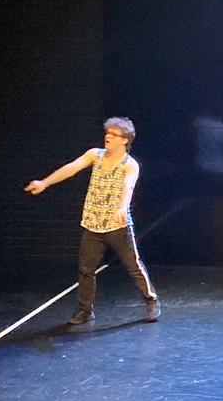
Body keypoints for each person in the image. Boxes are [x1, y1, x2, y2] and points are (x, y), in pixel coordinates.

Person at [26, 116, 160, 327]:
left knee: (133, 266)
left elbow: (128, 187)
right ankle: (85, 310)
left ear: (125, 140)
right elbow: (71, 168)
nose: (108, 136)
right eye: (107, 132)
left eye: (114, 134)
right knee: (86, 270)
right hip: (92, 224)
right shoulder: (95, 155)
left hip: (118, 226)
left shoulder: (130, 165)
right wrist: (44, 182)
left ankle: (150, 300)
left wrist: (122, 207)